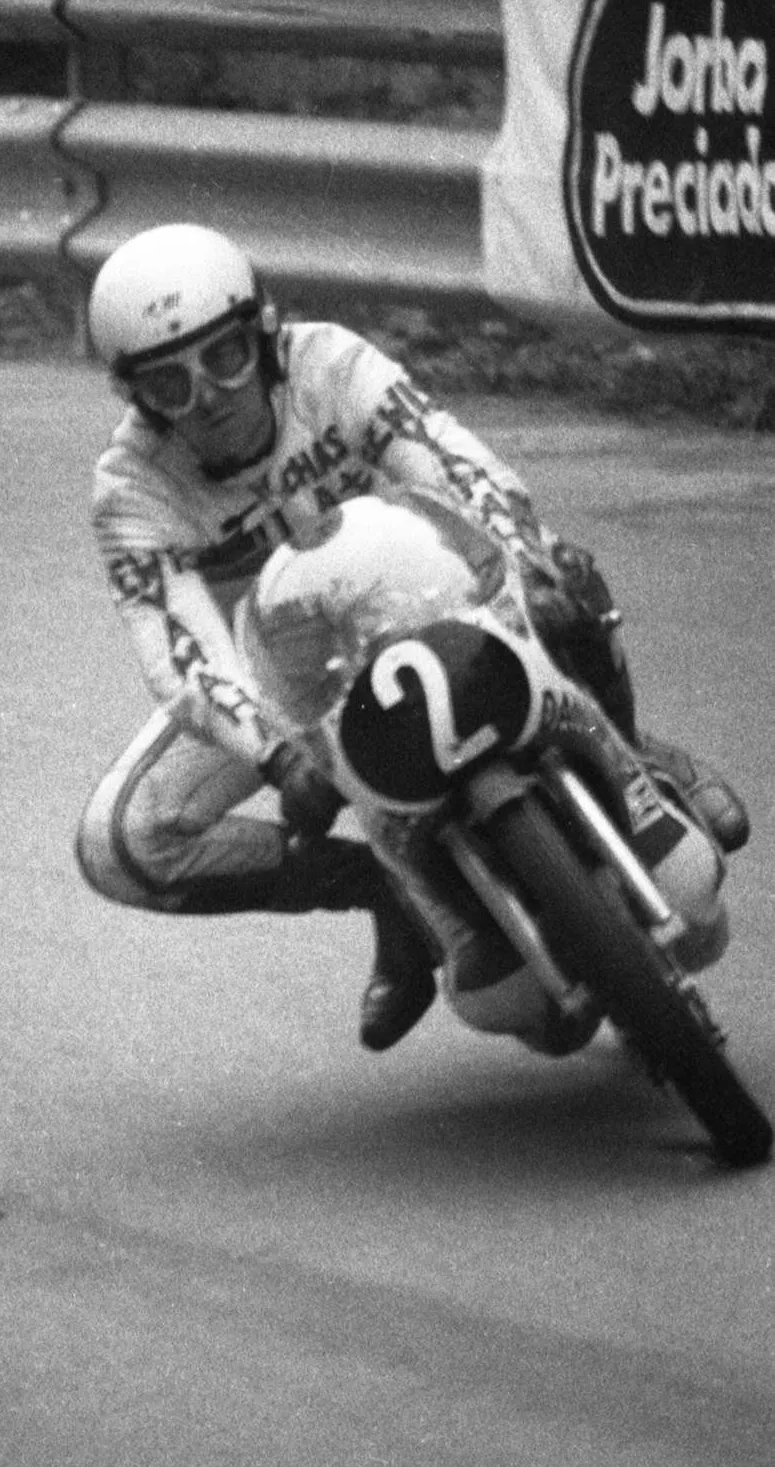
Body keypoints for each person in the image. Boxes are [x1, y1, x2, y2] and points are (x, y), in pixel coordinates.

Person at [74, 222, 749, 1052]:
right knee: (123, 841)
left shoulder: (330, 363)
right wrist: (275, 752)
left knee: (565, 576)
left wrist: (522, 563)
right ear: (136, 398)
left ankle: (627, 751)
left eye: (223, 357)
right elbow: (182, 651)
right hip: (283, 684)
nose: (206, 396)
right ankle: (389, 895)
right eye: (168, 383)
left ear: (262, 336)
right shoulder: (129, 489)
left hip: (430, 595)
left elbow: (456, 467)